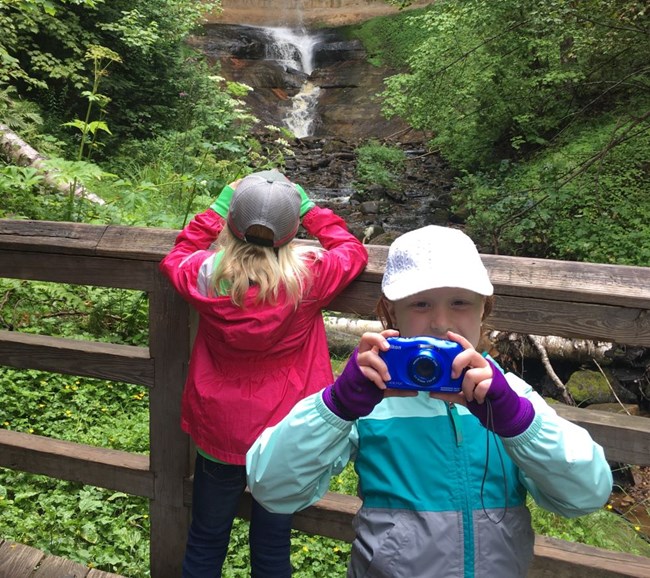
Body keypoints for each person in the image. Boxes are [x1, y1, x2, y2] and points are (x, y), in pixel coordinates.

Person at [246, 224, 613, 578]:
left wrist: (518, 423)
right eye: (420, 304)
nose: (440, 322)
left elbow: (587, 494)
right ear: (391, 312)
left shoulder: (510, 398)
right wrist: (337, 406)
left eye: (460, 302)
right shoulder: (371, 400)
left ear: (485, 308)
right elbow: (273, 488)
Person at [159, 169, 368, 578]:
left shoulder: (205, 275)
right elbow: (353, 250)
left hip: (219, 429)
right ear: (290, 234)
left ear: (231, 226)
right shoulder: (309, 277)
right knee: (272, 547)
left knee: (205, 538)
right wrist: (307, 208)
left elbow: (176, 256)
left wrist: (220, 205)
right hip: (283, 433)